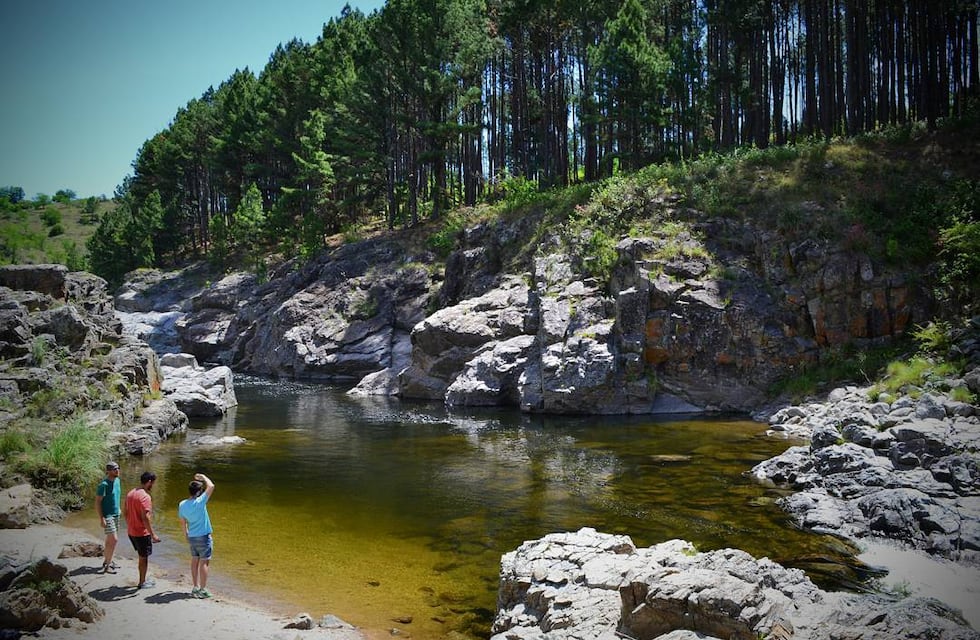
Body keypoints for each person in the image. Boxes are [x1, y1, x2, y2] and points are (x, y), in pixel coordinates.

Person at [177, 473, 215, 598]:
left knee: (194, 561)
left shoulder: (182, 504)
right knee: (204, 562)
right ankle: (203, 589)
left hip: (192, 537)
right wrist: (203, 477)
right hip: (203, 537)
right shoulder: (200, 502)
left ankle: (195, 587)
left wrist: (186, 535)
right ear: (199, 492)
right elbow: (211, 486)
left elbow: (182, 522)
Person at [124, 471, 161, 589]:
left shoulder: (130, 493)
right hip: (141, 533)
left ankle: (142, 579)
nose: (152, 486)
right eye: (152, 484)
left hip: (131, 531)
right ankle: (142, 582)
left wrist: (130, 524)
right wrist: (153, 535)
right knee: (143, 558)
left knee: (141, 556)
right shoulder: (145, 497)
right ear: (149, 482)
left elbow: (125, 512)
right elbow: (146, 518)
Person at [95, 461, 121, 573]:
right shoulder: (103, 485)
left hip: (116, 514)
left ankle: (107, 561)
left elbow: (117, 495)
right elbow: (97, 503)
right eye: (114, 469)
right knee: (114, 540)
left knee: (109, 541)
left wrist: (119, 509)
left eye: (118, 468)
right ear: (108, 471)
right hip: (108, 516)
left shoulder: (117, 481)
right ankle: (108, 565)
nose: (117, 470)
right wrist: (102, 518)